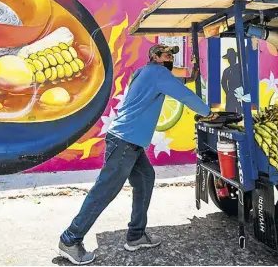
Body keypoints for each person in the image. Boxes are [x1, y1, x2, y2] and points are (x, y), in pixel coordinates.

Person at [58, 44, 218, 265]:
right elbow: (184, 95)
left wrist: (191, 77)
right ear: (155, 57)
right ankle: (70, 239)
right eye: (167, 55)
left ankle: (136, 235)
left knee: (145, 178)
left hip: (128, 141)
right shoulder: (159, 73)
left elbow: (175, 85)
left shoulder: (144, 73)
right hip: (125, 141)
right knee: (105, 191)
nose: (171, 58)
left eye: (173, 55)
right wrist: (209, 113)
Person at [221, 48, 243, 113]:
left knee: (241, 111)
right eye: (229, 58)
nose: (231, 59)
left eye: (232, 57)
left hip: (240, 94)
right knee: (230, 112)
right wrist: (227, 93)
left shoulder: (240, 67)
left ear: (235, 58)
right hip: (231, 94)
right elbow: (223, 83)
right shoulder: (226, 71)